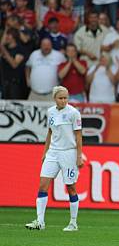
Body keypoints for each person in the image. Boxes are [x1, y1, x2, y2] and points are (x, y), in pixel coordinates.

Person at [25, 86, 83, 231]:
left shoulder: (74, 113)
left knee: (71, 187)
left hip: (68, 153)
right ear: (54, 98)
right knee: (43, 185)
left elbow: (78, 135)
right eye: (60, 98)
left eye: (65, 98)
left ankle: (73, 222)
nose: (63, 101)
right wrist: (45, 151)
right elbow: (50, 132)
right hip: (53, 152)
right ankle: (40, 221)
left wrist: (79, 156)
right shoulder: (50, 112)